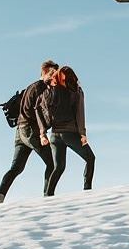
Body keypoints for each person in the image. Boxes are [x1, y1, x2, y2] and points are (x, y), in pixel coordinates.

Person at [0, 60, 58, 203]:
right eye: (53, 74)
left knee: (16, 167)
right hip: (30, 130)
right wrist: (43, 129)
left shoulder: (31, 87)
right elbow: (36, 111)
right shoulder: (40, 87)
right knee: (52, 163)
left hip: (20, 132)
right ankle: (48, 198)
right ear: (45, 72)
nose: (55, 77)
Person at [37, 64, 95, 195]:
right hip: (70, 134)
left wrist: (42, 133)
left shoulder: (50, 92)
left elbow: (40, 109)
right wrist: (82, 133)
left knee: (58, 167)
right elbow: (80, 113)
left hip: (54, 136)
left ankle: (48, 195)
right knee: (90, 158)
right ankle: (87, 190)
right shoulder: (76, 91)